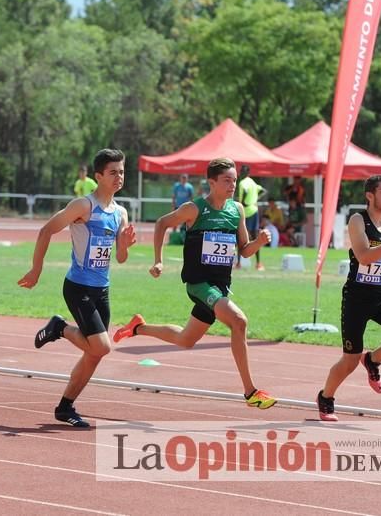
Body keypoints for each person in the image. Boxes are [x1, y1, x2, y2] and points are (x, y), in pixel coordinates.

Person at [113, 157, 276, 410]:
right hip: (199, 284)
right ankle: (250, 392)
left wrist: (259, 243)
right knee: (239, 321)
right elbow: (161, 223)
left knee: (185, 339)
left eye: (234, 180)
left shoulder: (237, 210)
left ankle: (138, 327)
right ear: (211, 182)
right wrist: (158, 261)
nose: (232, 184)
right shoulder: (195, 208)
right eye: (226, 180)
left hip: (220, 287)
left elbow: (244, 250)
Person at [18, 149, 136, 428]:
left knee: (94, 355)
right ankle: (60, 328)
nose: (119, 177)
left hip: (102, 289)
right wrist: (36, 269)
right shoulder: (84, 206)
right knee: (101, 347)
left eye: (122, 171)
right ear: (98, 176)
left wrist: (124, 246)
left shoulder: (120, 213)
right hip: (78, 286)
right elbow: (46, 230)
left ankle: (65, 407)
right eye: (113, 172)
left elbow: (120, 258)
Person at [316, 175, 381, 421]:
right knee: (350, 360)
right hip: (357, 298)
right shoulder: (358, 220)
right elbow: (363, 256)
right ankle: (326, 397)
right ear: (370, 196)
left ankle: (373, 360)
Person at [235, 165, 266, 270]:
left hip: (245, 211)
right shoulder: (253, 182)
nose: (241, 173)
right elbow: (263, 190)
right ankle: (258, 264)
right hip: (254, 211)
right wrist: (255, 200)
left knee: (240, 237)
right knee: (255, 237)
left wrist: (244, 202)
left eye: (242, 171)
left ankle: (238, 264)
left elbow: (243, 195)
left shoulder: (242, 183)